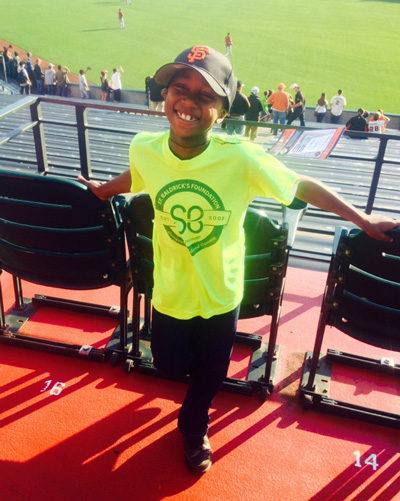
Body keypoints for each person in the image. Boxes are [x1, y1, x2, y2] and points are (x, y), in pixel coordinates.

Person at [78, 45, 399, 476]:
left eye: (206, 96)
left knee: (210, 372)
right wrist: (102, 191)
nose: (189, 101)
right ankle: (196, 391)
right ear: (165, 94)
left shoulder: (240, 157)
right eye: (181, 87)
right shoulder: (144, 147)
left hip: (221, 293)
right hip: (170, 290)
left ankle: (194, 426)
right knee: (169, 363)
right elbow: (137, 176)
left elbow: (300, 185)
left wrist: (360, 218)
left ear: (223, 111)